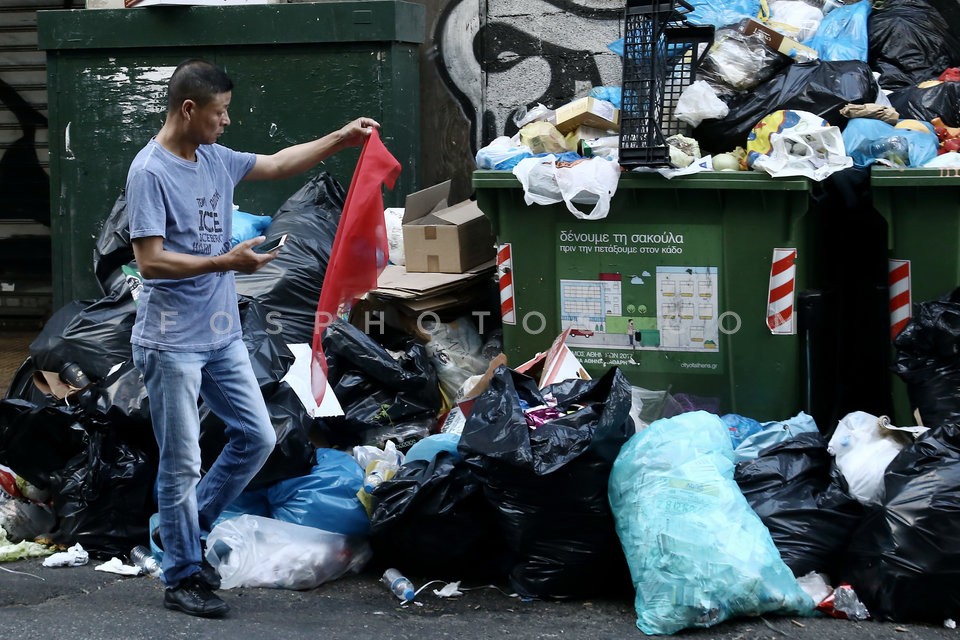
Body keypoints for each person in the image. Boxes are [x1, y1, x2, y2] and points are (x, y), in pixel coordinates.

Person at [126, 58, 379, 618]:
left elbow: (279, 162)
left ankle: (188, 531)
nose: (226, 123)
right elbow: (149, 262)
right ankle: (183, 576)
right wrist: (227, 262)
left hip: (221, 334)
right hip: (172, 341)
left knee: (256, 435)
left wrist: (341, 138)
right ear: (189, 109)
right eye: (220, 114)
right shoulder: (150, 171)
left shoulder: (215, 158)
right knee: (181, 463)